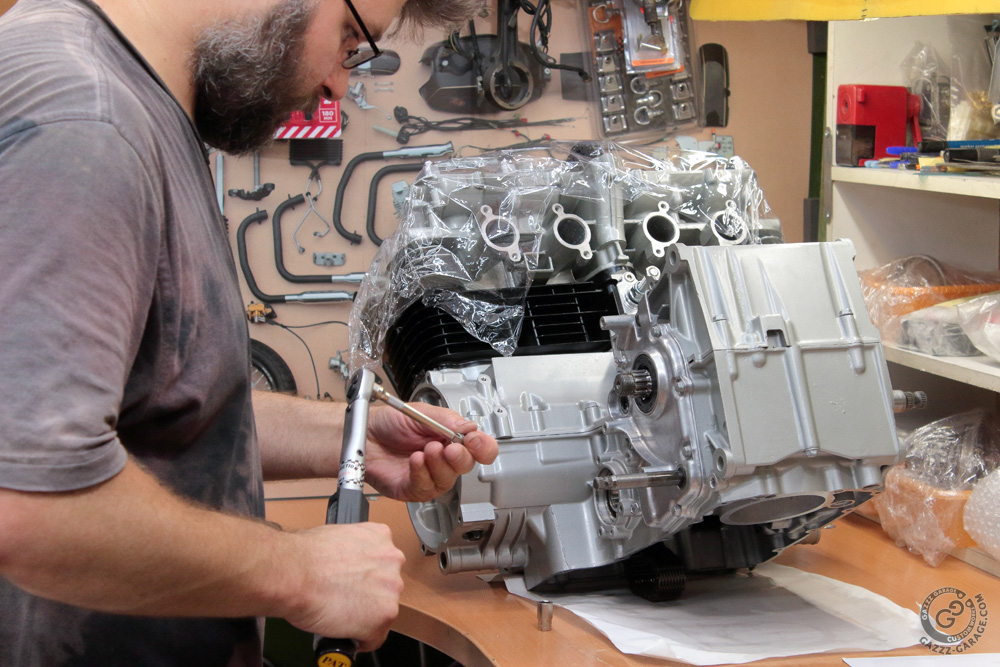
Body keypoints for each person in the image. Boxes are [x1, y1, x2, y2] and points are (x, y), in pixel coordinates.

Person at [0, 0, 496, 664]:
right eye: (350, 38)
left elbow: (151, 403)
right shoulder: (88, 124)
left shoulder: (123, 99)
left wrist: (350, 435)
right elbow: (27, 505)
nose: (338, 85)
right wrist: (303, 572)